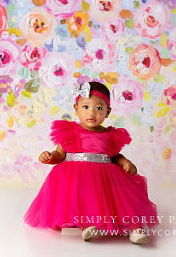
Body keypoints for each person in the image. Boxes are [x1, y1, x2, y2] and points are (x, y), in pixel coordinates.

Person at [25, 81, 157, 244]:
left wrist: (125, 161)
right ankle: (87, 225)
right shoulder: (70, 131)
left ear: (108, 112)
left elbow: (115, 155)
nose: (92, 113)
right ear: (76, 108)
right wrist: (50, 157)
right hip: (77, 176)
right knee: (81, 196)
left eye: (99, 108)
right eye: (86, 107)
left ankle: (135, 229)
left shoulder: (110, 134)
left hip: (106, 176)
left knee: (122, 201)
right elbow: (60, 153)